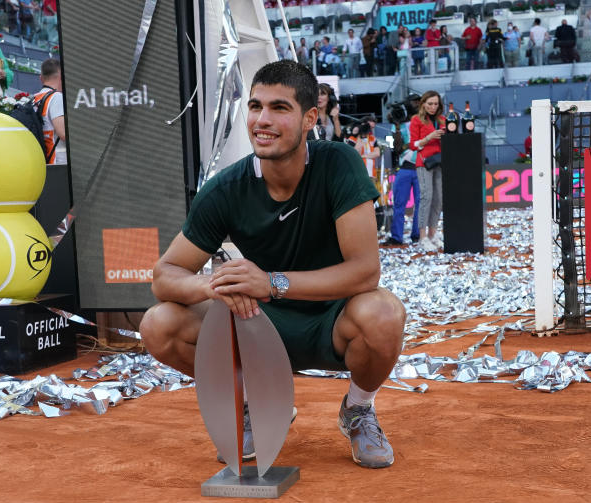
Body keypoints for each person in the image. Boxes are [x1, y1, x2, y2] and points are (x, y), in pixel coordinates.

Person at [138, 60, 404, 469]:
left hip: (334, 319)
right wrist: (217, 285)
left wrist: (271, 282)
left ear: (309, 118)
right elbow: (164, 276)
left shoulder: (338, 163)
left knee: (384, 313)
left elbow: (365, 271)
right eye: (255, 106)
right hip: (257, 322)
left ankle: (358, 409)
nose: (262, 120)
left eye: (279, 108)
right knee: (159, 324)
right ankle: (253, 401)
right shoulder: (226, 188)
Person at [408, 90, 444, 251]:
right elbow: (413, 145)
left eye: (436, 104)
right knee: (426, 197)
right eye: (430, 104)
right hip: (424, 163)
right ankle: (422, 237)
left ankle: (432, 234)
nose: (433, 107)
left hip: (441, 162)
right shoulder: (416, 120)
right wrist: (429, 138)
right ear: (423, 104)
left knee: (438, 199)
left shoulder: (442, 119)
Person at [385, 117, 420, 246]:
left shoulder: (423, 121)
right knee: (399, 204)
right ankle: (397, 236)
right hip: (405, 167)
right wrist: (397, 127)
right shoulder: (398, 125)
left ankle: (417, 234)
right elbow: (394, 147)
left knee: (421, 204)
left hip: (420, 167)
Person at [33, 57, 65, 164]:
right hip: (59, 161)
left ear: (41, 78)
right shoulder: (56, 97)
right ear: (61, 76)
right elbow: (63, 133)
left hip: (44, 160)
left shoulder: (34, 99)